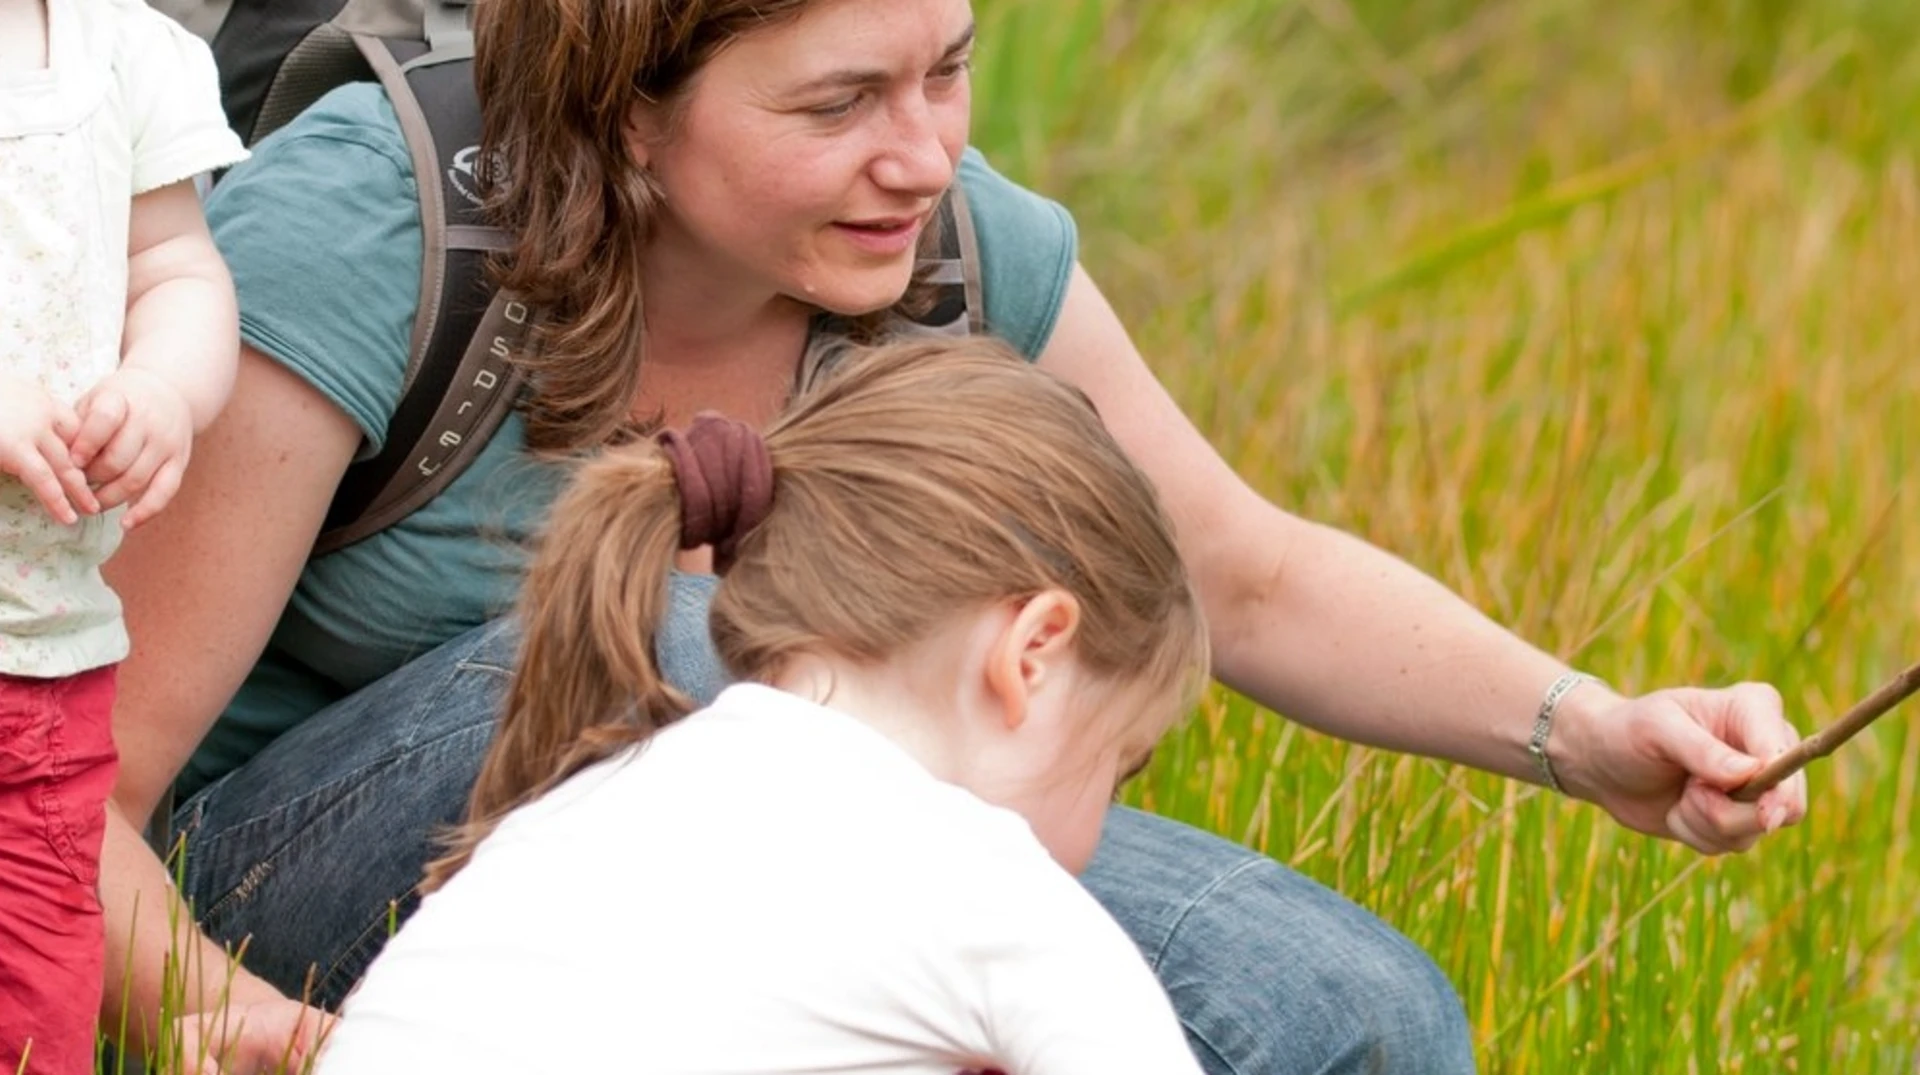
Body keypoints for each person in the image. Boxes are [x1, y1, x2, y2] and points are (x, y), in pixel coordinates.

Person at [99, 0, 1809, 1074]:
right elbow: (65, 778)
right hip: (270, 888)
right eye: (842, 101)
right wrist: (249, 1034)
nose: (922, 154)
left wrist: (1593, 731)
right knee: (698, 656)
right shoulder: (371, 234)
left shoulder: (947, 252)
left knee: (1337, 1010)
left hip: (770, 856)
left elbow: (1239, 566)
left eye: (951, 70)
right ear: (630, 112)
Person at [314, 338, 1211, 1076]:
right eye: (1119, 765)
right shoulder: (990, 889)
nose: (1099, 830)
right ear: (1034, 653)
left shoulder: (576, 814)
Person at [0, 0, 245, 1073]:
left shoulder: (125, 53)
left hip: (45, 642)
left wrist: (163, 385)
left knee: (38, 981)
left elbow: (174, 269)